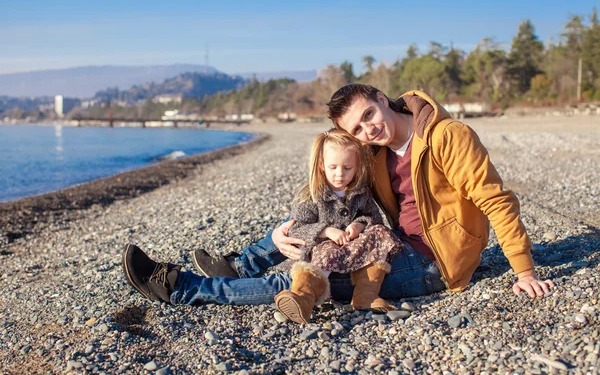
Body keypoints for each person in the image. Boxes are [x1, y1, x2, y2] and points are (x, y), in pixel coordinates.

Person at [123, 85, 554, 307]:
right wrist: (281, 236)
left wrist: (524, 271)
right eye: (357, 128)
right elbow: (331, 193)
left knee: (300, 276)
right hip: (391, 242)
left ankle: (182, 288)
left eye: (370, 115)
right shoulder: (374, 150)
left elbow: (497, 200)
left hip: (431, 264)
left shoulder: (447, 136)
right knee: (306, 223)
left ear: (383, 99)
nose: (369, 129)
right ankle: (239, 264)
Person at [275, 129, 403, 324]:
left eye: (347, 168)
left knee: (380, 233)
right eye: (333, 167)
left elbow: (374, 218)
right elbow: (296, 229)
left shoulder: (361, 192)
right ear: (321, 165)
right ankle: (304, 298)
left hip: (353, 249)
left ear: (357, 167)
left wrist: (359, 225)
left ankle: (365, 294)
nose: (340, 174)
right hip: (322, 253)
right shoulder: (311, 195)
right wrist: (325, 231)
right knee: (325, 253)